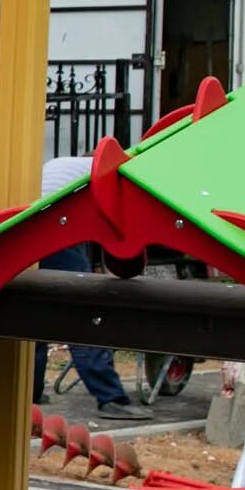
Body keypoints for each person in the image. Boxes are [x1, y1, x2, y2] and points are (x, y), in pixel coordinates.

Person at [31, 154, 154, 422]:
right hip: (55, 220)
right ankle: (111, 399)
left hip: (27, 220)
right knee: (84, 313)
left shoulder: (74, 166)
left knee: (34, 305)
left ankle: (30, 390)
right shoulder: (120, 172)